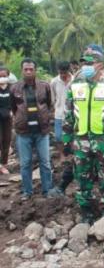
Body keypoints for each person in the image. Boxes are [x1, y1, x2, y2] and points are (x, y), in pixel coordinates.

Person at [62, 47, 104, 222]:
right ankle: (86, 211)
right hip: (81, 141)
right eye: (84, 63)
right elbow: (68, 115)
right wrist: (66, 140)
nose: (85, 67)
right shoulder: (75, 87)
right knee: (82, 178)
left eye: (89, 63)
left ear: (100, 64)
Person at [11, 58, 53, 200]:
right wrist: (19, 120)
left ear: (35, 70)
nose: (28, 71)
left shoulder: (44, 86)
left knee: (45, 162)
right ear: (22, 70)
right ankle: (27, 192)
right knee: (25, 164)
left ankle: (47, 191)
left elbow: (49, 104)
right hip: (23, 133)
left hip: (42, 132)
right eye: (26, 69)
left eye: (31, 69)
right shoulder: (14, 88)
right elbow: (13, 107)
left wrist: (47, 118)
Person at [50, 62, 72, 165]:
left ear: (69, 70)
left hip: (72, 114)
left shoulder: (74, 81)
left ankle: (72, 155)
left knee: (72, 135)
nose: (63, 75)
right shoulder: (54, 82)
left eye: (65, 72)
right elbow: (53, 98)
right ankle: (62, 155)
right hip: (59, 113)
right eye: (61, 72)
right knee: (58, 137)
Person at [0, 67, 12, 175]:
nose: (2, 79)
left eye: (4, 76)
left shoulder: (11, 88)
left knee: (7, 140)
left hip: (8, 118)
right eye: (0, 77)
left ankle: (4, 163)